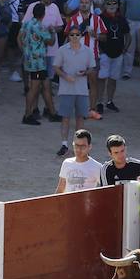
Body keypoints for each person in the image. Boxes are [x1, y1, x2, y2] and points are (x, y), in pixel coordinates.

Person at [54, 24, 96, 156]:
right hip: (66, 89)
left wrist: (84, 73)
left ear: (81, 36)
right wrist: (65, 76)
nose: (74, 37)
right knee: (65, 117)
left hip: (81, 89)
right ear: (68, 36)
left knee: (80, 118)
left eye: (77, 35)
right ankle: (64, 144)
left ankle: (79, 145)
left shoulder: (88, 51)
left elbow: (92, 68)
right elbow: (56, 67)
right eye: (72, 35)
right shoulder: (62, 50)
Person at [56, 128, 103, 193]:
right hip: (68, 202)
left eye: (83, 146)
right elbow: (60, 188)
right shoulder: (66, 163)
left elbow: (105, 188)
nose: (79, 149)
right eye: (76, 145)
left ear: (89, 147)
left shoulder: (97, 166)